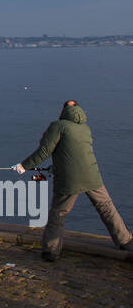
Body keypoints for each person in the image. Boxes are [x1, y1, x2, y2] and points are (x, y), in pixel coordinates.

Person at [16, 100, 133, 262]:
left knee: (59, 213)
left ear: (64, 110)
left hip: (69, 179)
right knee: (106, 207)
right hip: (92, 175)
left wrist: (24, 166)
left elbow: (44, 151)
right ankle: (125, 241)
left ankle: (51, 250)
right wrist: (55, 165)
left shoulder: (58, 126)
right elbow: (73, 154)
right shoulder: (85, 128)